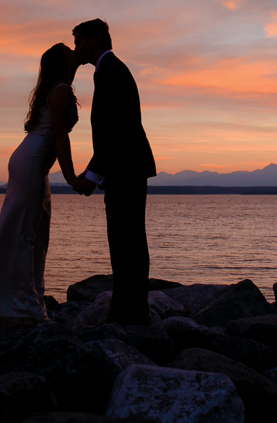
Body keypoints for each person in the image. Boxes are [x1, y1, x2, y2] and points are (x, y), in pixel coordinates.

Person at [0, 43, 80, 320]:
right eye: (68, 49)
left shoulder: (59, 87)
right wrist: (71, 177)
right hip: (31, 162)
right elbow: (60, 135)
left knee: (35, 233)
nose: (74, 50)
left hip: (33, 163)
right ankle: (24, 307)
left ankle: (27, 300)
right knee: (25, 234)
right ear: (61, 61)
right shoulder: (60, 90)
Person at [72, 19, 156, 325]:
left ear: (94, 40)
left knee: (127, 239)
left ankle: (131, 311)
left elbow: (116, 129)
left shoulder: (111, 71)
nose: (76, 48)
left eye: (79, 42)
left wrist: (92, 176)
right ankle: (130, 308)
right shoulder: (109, 70)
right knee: (127, 239)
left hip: (126, 167)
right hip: (126, 166)